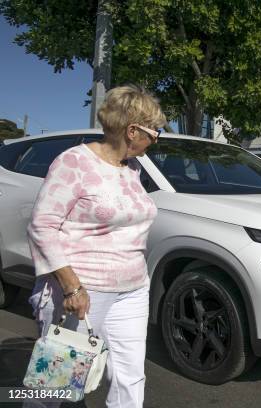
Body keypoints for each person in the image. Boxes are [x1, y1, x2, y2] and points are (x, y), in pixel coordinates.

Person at [25, 84, 166, 408]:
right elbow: (42, 226)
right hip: (84, 290)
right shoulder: (74, 162)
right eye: (154, 131)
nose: (156, 138)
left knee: (130, 377)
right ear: (132, 130)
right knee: (56, 385)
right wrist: (72, 288)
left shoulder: (132, 169)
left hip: (132, 289)